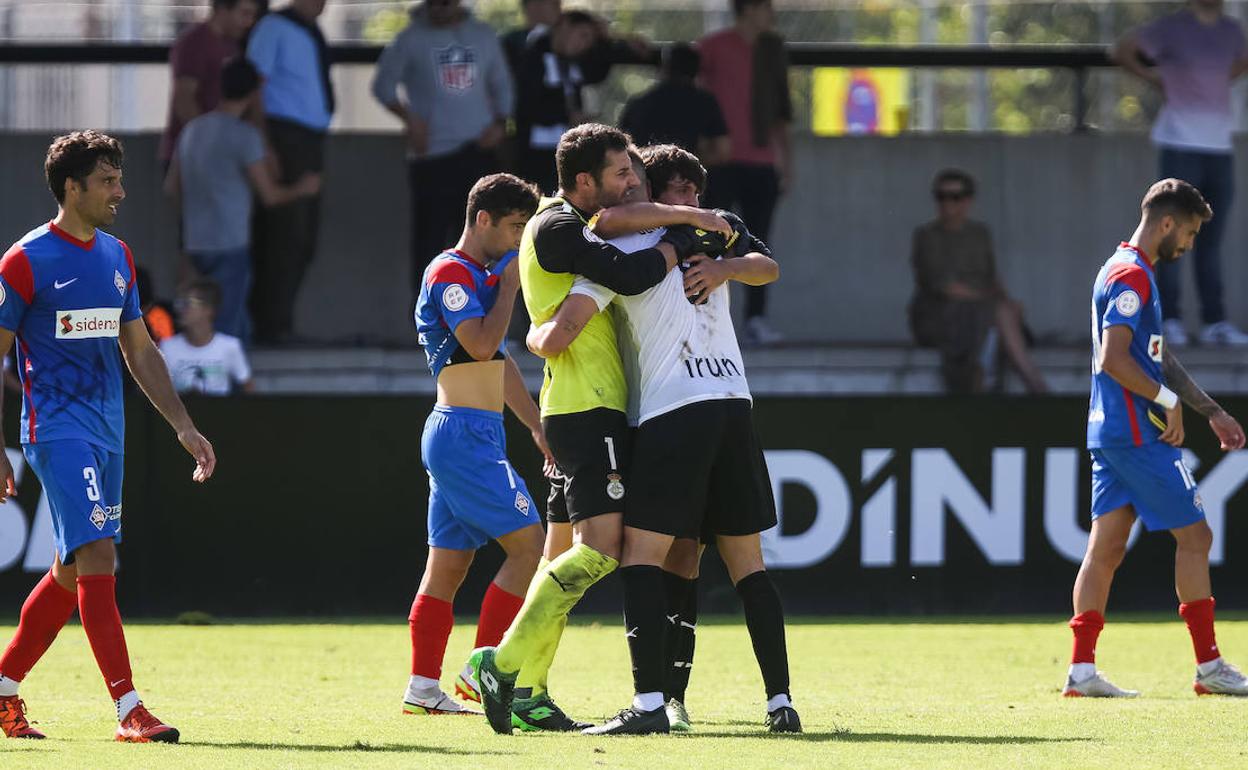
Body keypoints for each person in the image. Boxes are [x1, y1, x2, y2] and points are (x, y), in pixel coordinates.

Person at [464, 124, 724, 735]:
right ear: (585, 181)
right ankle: (499, 664)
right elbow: (629, 276)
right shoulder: (554, 226)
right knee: (602, 552)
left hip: (580, 406)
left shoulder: (573, 224)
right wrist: (680, 239)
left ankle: (527, 689)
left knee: (560, 555)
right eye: (621, 174)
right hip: (589, 407)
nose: (632, 183)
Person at [528, 144, 797, 735]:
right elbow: (617, 219)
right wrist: (712, 242)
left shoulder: (630, 247)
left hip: (677, 411)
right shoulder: (687, 233)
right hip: (731, 407)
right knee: (720, 561)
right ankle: (760, 701)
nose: (691, 200)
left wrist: (538, 336)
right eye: (676, 190)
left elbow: (766, 264)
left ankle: (653, 705)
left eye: (695, 191)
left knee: (645, 556)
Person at [0, 131, 216, 742]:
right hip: (56, 430)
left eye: (120, 179)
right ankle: (130, 711)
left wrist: (183, 424)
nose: (120, 191)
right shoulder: (25, 260)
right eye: (107, 181)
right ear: (72, 188)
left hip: (108, 430)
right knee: (99, 557)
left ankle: (3, 687)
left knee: (72, 571)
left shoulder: (117, 256)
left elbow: (140, 349)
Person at [1065, 178, 1248, 698]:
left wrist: (1209, 409)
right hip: (1136, 434)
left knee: (1106, 549)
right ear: (1167, 223)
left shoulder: (1126, 270)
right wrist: (1166, 403)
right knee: (1196, 538)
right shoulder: (1131, 276)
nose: (1189, 244)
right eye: (1189, 233)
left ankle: (1080, 671)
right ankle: (1210, 667)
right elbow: (1113, 358)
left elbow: (1155, 357)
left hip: (1109, 433)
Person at [404, 173, 550, 716]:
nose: (519, 239)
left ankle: (423, 690)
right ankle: (483, 675)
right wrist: (511, 284)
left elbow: (499, 359)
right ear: (482, 218)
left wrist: (535, 426)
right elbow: (482, 342)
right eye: (515, 227)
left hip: (471, 431)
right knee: (528, 546)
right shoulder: (450, 272)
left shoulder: (478, 277)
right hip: (462, 433)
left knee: (447, 568)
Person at [1114, 0, 1248, 347]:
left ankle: (1214, 322)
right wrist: (1155, 78)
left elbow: (1239, 61)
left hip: (1219, 147)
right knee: (1170, 234)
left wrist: (1211, 82)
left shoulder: (1231, 31)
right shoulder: (1171, 28)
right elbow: (1123, 49)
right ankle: (1169, 317)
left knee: (1210, 239)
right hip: (1179, 143)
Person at [166, 56, 321, 342]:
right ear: (253, 94)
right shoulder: (245, 136)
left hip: (194, 242)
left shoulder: (192, 130)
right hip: (230, 243)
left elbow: (172, 187)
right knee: (226, 327)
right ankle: (228, 384)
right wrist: (303, 188)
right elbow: (271, 195)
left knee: (197, 322)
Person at [371, 0, 513, 300]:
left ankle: (481, 314)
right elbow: (382, 85)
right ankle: (431, 317)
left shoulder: (483, 35)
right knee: (430, 239)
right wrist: (409, 119)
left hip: (477, 151)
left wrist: (500, 124)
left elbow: (503, 86)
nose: (440, 8)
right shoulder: (410, 37)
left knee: (485, 237)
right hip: (432, 154)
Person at [698, 0, 791, 347]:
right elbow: (692, 91)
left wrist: (786, 161)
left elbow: (782, 110)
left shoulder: (772, 49)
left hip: (762, 160)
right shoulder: (713, 47)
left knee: (759, 240)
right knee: (709, 240)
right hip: (720, 162)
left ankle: (755, 320)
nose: (772, 13)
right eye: (766, 6)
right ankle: (704, 315)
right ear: (749, 8)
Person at [908, 169, 1048, 394]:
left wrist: (1006, 302)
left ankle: (990, 378)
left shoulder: (979, 234)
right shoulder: (927, 236)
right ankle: (1030, 381)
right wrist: (991, 301)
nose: (947, 204)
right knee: (996, 314)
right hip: (941, 315)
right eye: (941, 196)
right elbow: (944, 287)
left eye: (954, 197)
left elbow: (991, 277)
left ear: (967, 200)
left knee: (1000, 314)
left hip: (982, 312)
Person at [246, 0, 334, 344]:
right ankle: (271, 326)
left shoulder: (310, 30)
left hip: (309, 141)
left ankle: (280, 323)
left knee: (304, 238)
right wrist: (265, 144)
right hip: (283, 137)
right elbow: (255, 85)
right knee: (285, 234)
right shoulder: (273, 27)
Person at [511, 11, 605, 194]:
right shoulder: (534, 57)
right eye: (582, 35)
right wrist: (566, 115)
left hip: (564, 147)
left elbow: (598, 71)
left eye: (589, 41)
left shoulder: (573, 64)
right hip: (535, 151)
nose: (583, 45)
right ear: (565, 24)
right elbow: (525, 106)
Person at [159, 0, 260, 169]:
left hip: (217, 150)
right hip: (191, 153)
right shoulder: (194, 43)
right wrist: (208, 143)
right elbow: (184, 101)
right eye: (244, 14)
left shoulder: (233, 46)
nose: (248, 22)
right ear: (221, 9)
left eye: (252, 16)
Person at [619, 43, 729, 164]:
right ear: (697, 71)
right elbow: (722, 151)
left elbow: (622, 147)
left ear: (663, 68)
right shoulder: (704, 102)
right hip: (687, 174)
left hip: (646, 171)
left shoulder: (638, 104)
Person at [160, 280, 254, 396]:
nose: (181, 309)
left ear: (208, 309)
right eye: (180, 303)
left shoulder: (230, 346)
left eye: (188, 303)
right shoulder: (167, 347)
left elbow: (249, 389)